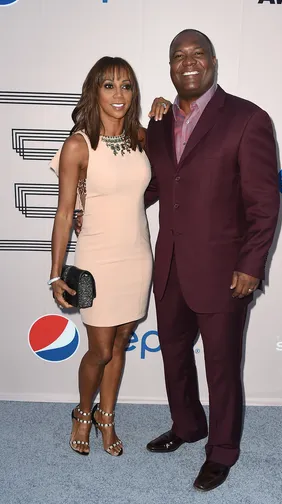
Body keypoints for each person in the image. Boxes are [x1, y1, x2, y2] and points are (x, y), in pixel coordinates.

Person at [144, 29, 280, 491]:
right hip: (170, 265)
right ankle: (187, 426)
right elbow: (156, 187)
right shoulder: (159, 124)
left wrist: (251, 264)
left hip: (226, 271)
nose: (188, 62)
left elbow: (264, 204)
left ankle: (221, 450)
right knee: (175, 355)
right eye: (178, 55)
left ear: (214, 61)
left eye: (197, 53)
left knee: (221, 366)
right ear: (169, 67)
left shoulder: (247, 118)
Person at [49, 56, 169, 456]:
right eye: (109, 85)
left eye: (126, 86)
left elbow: (177, 154)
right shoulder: (78, 144)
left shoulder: (141, 136)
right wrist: (55, 274)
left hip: (138, 256)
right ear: (94, 91)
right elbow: (65, 212)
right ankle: (84, 413)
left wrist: (165, 112)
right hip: (98, 259)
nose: (118, 94)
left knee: (120, 344)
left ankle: (107, 416)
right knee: (99, 349)